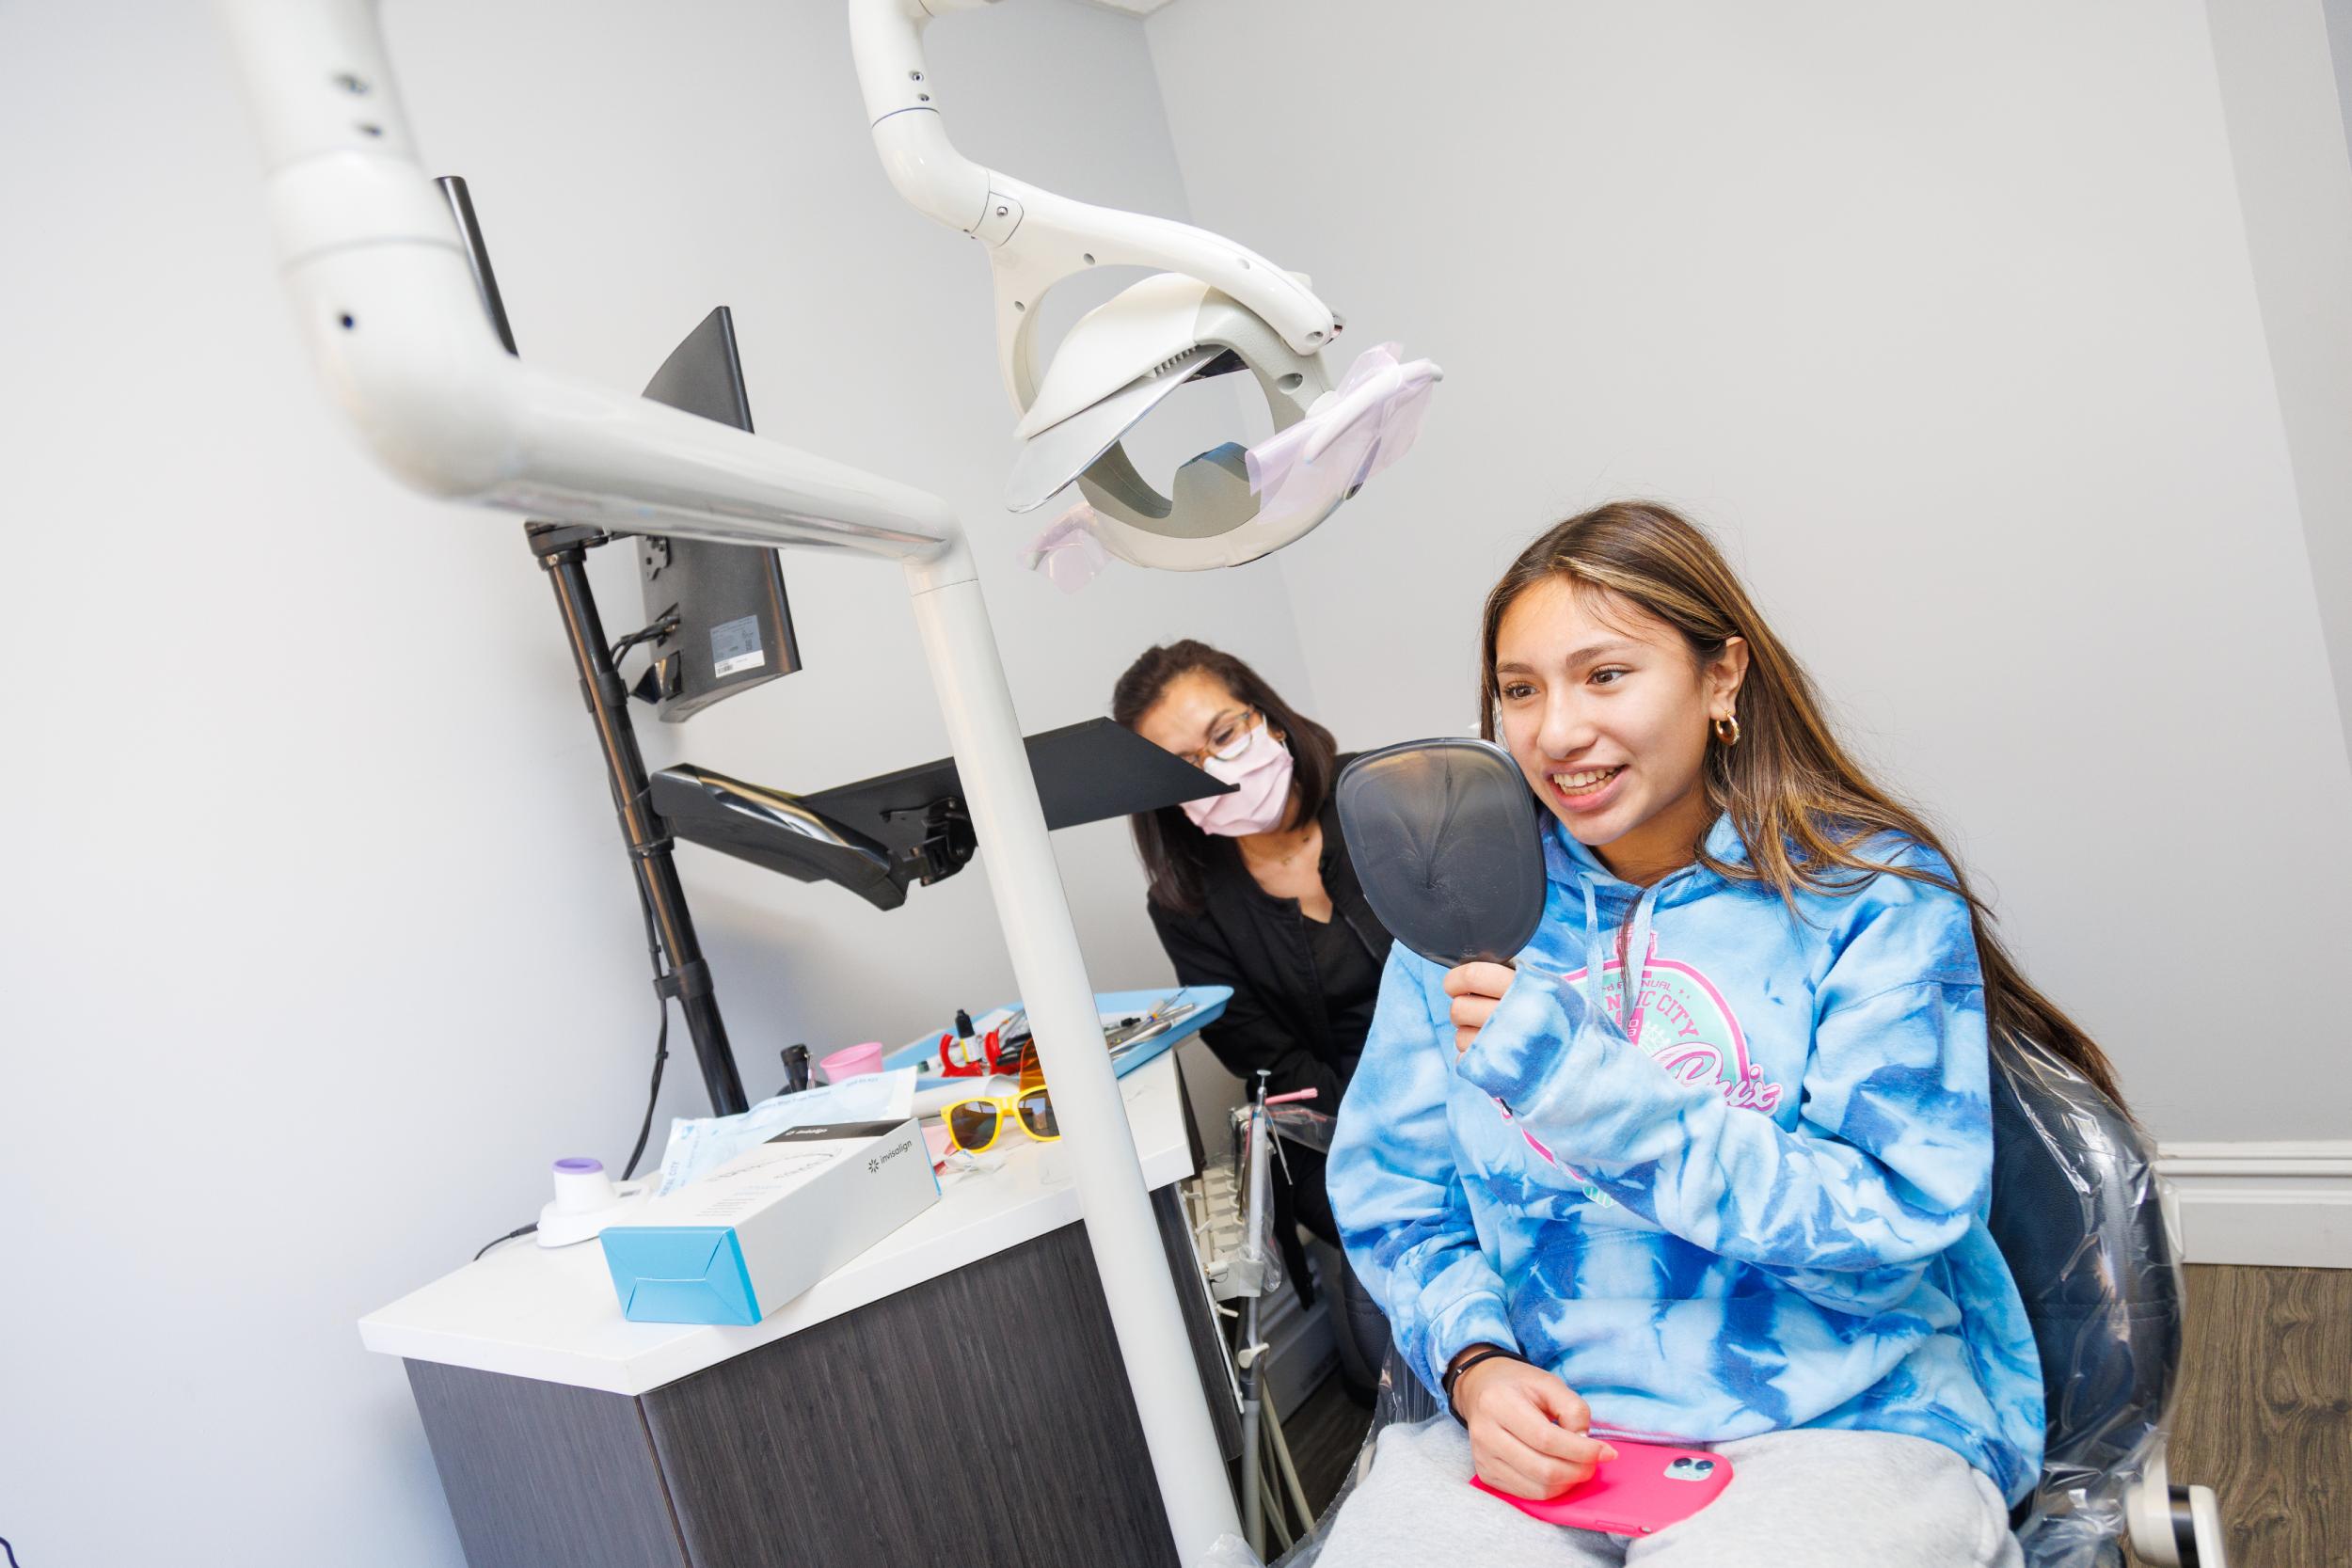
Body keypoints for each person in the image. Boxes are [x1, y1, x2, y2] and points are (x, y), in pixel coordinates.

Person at [1321, 502, 2121, 1567]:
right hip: (1557, 1441)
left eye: (1605, 674)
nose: (1554, 730)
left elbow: (1894, 1224)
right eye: (1520, 689)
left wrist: (1576, 1084)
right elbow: (1398, 1196)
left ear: (1721, 676)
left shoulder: (1868, 898)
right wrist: (1475, 1363)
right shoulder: (1464, 919)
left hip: (1843, 1419)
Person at [1114, 639, 1395, 1398]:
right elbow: (1251, 1045)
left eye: (1225, 734)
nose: (1216, 768)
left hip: (1473, 1067)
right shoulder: (1188, 900)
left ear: (1264, 713)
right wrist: (1378, 1126)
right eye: (1183, 765)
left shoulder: (1385, 791)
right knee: (1379, 1211)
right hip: (1333, 1121)